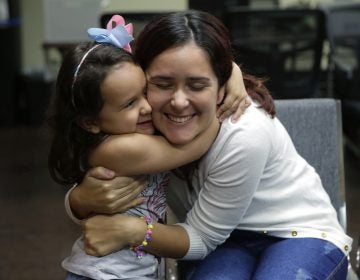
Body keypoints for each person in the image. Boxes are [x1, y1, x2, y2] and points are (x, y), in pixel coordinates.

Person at [66, 10, 353, 279]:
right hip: (222, 242)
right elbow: (102, 178)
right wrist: (78, 201)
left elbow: (200, 238)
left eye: (198, 85)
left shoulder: (243, 132)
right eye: (162, 84)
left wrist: (133, 231)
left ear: (221, 84)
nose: (179, 103)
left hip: (297, 233)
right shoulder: (142, 119)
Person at [48, 15, 248, 280]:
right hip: (106, 274)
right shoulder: (119, 148)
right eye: (129, 104)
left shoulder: (127, 130)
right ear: (91, 123)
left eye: (145, 91)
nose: (146, 106)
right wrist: (221, 91)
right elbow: (192, 147)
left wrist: (224, 73)